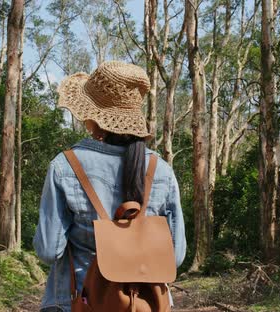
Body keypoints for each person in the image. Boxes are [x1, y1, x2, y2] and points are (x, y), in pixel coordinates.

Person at [33, 61, 186, 312]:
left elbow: (49, 251)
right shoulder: (161, 171)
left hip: (78, 301)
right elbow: (176, 256)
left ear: (93, 115)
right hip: (145, 304)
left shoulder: (66, 166)